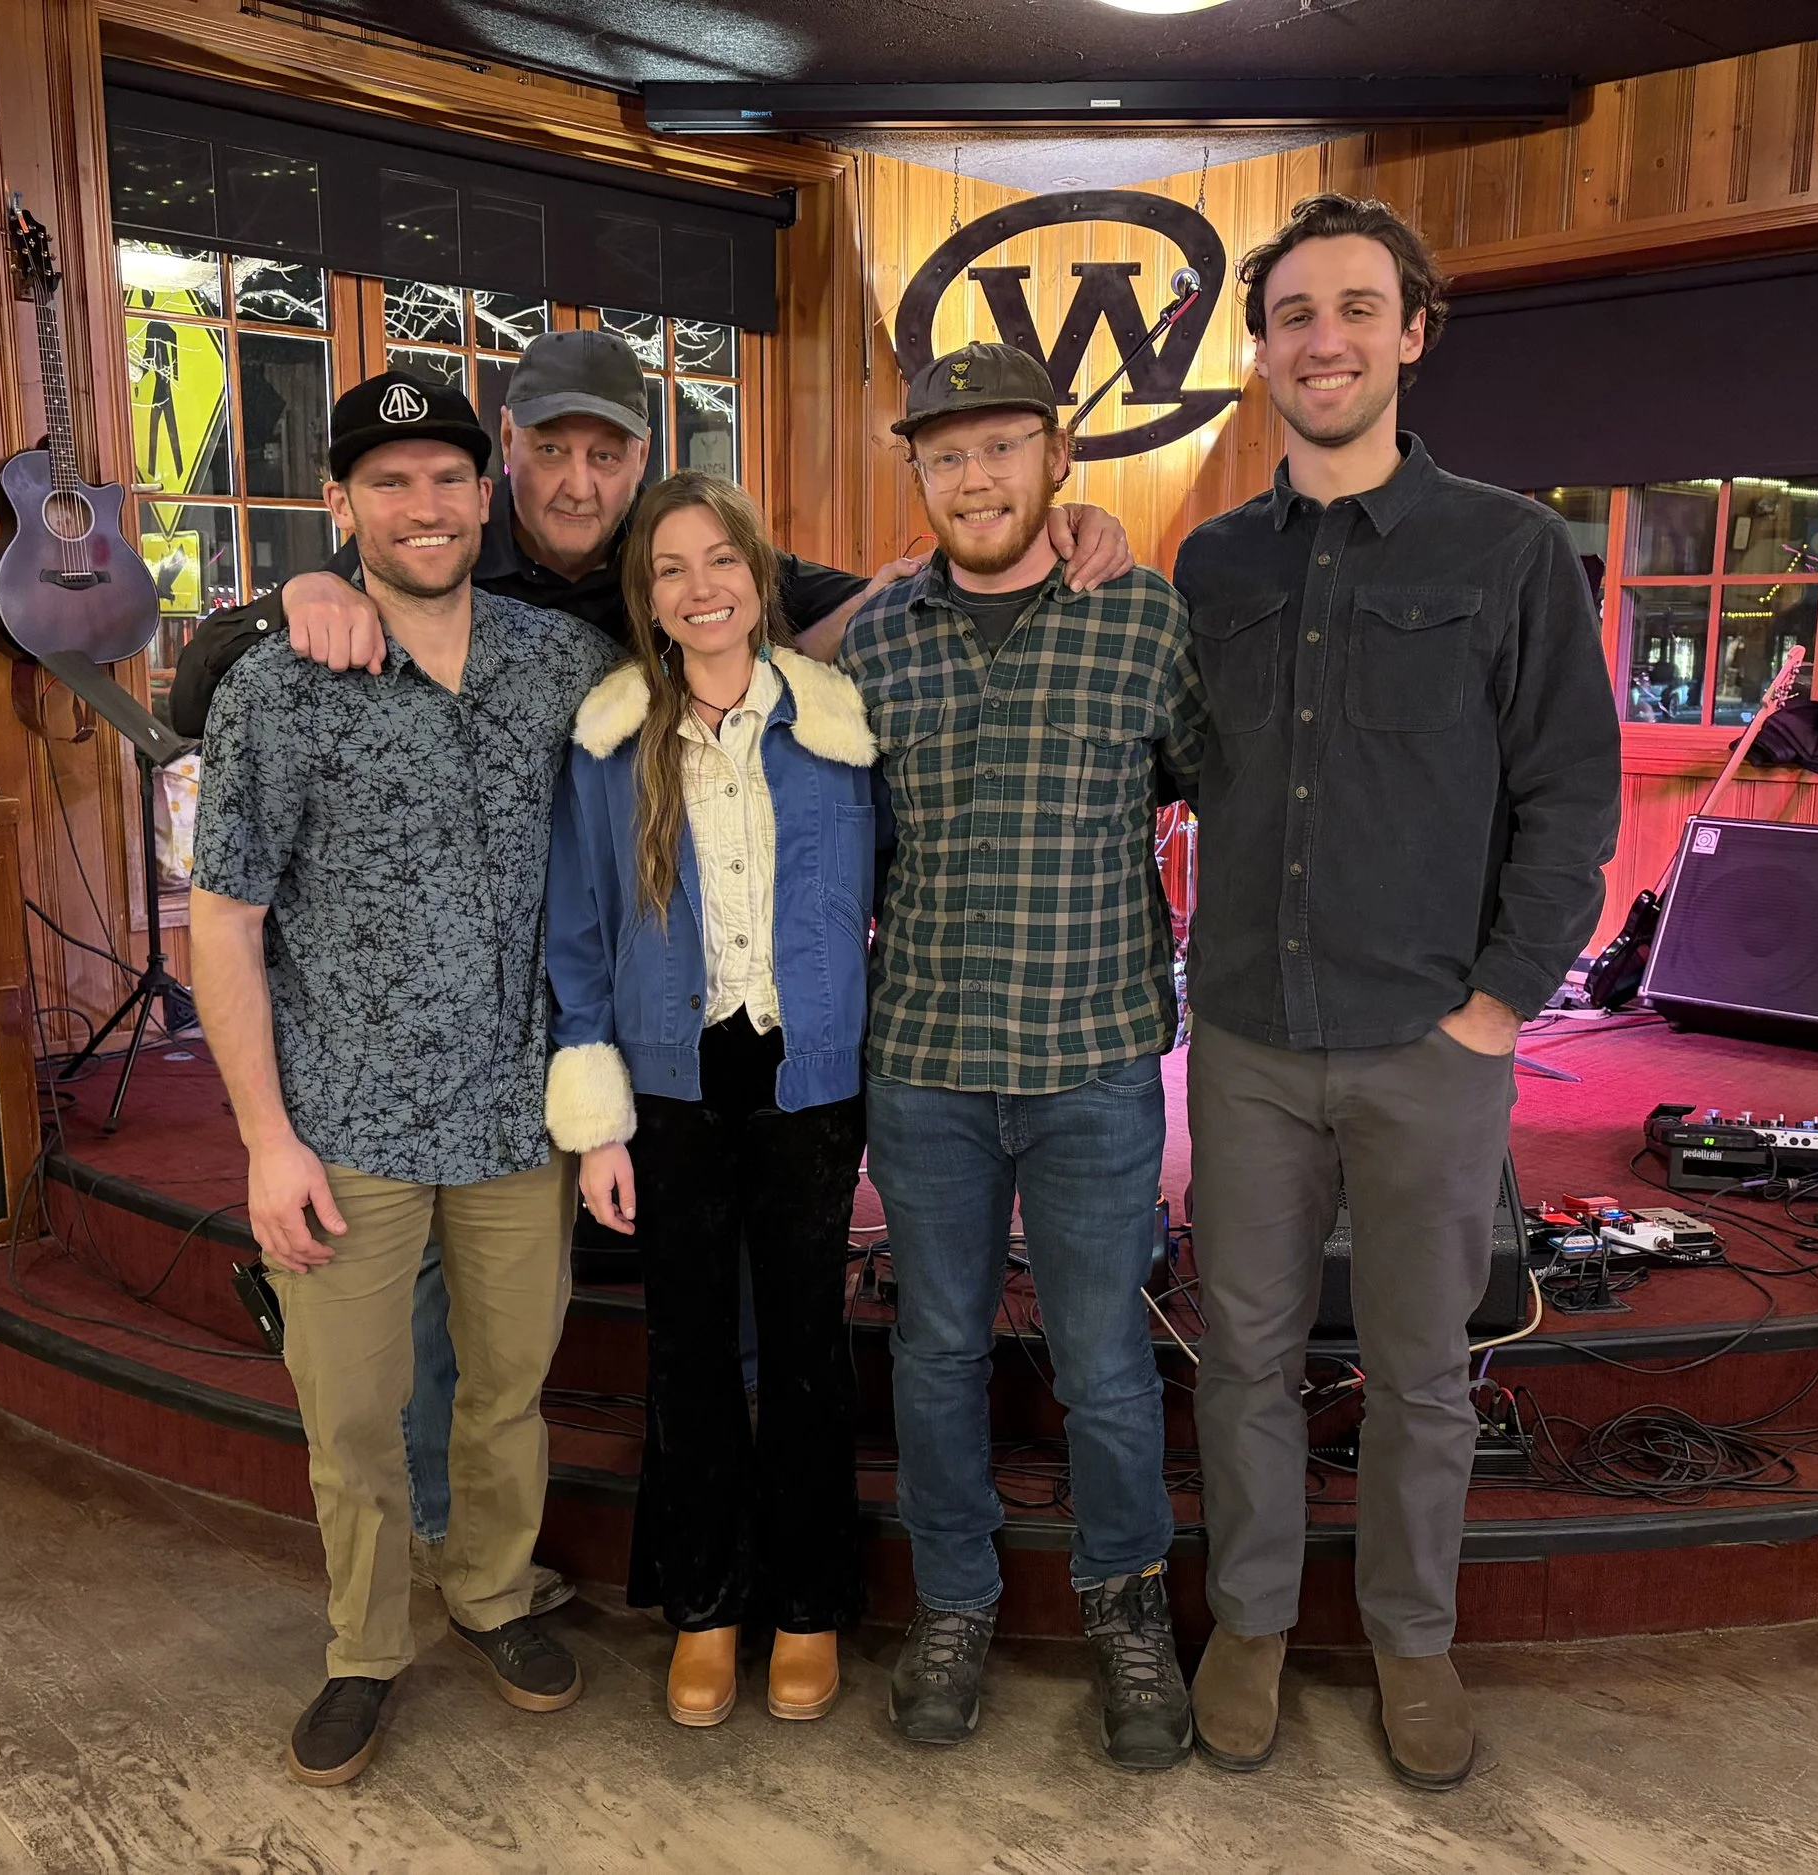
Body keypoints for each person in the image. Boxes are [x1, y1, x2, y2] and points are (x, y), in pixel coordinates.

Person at [169, 329, 1137, 1607]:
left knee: (552, 1351)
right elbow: (204, 694)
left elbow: (862, 601)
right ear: (504, 454)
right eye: (551, 449)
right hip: (444, 1066)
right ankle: (435, 1570)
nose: (577, 479)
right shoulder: (429, 561)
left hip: (591, 1061)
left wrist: (1027, 536)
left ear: (643, 464)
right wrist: (303, 586)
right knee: (423, 1350)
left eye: (606, 452)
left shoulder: (656, 570)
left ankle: (547, 1581)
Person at [1170, 194, 1621, 1788]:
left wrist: (1498, 1003)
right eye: (1296, 314)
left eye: (1359, 309)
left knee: (1428, 1367)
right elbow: (1170, 752)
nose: (1327, 339)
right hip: (1241, 1035)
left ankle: (1412, 1638)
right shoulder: (1211, 558)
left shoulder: (1506, 547)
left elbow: (1573, 796)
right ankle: (1249, 1622)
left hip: (1433, 1040)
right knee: (1243, 1354)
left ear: (1414, 331)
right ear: (1265, 349)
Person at [189, 370, 618, 1787]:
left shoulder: (558, 664)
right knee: (357, 1415)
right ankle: (365, 1644)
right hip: (347, 1120)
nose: (422, 504)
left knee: (507, 1387)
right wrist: (265, 1140)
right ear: (342, 505)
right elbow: (228, 919)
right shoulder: (278, 682)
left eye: (445, 477)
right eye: (388, 481)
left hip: (516, 1114)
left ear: (483, 497)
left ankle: (490, 1591)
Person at [836, 341, 1208, 1771]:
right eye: (946, 453)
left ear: (1059, 458)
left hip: (1095, 1062)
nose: (975, 474)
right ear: (916, 471)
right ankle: (957, 1600)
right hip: (923, 1060)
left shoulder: (1145, 618)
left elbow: (1210, 786)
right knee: (933, 1350)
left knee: (1106, 1356)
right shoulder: (874, 638)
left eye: (1003, 446)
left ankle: (1127, 1611)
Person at [544, 470, 878, 1728]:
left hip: (807, 1082)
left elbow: (889, 890)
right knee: (687, 1357)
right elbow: (576, 927)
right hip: (670, 1085)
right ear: (647, 596)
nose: (700, 589)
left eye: (719, 562)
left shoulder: (840, 727)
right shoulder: (612, 740)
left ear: (759, 575)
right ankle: (704, 1606)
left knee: (803, 1356)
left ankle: (803, 1606)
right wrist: (597, 1123)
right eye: (671, 569)